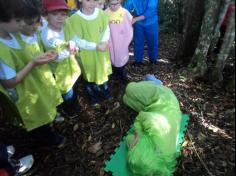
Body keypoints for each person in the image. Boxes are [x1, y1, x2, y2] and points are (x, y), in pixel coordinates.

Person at [0, 0, 65, 148]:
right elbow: (9, 82)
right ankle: (49, 140)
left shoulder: (12, 34)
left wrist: (43, 56)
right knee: (37, 118)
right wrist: (33, 63)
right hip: (24, 93)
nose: (22, 24)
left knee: (43, 106)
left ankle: (49, 121)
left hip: (34, 83)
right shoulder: (2, 48)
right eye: (18, 20)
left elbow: (27, 50)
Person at [123, 75, 182, 175]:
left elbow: (130, 139)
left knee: (126, 99)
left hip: (158, 108)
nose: (132, 146)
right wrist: (138, 132)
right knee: (129, 89)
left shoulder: (163, 159)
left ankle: (153, 85)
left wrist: (135, 142)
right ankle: (156, 83)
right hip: (162, 96)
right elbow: (141, 116)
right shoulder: (155, 124)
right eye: (134, 147)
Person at [65, 0, 113, 108]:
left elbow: (106, 29)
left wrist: (104, 41)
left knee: (103, 73)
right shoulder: (74, 19)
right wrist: (95, 46)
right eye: (88, 0)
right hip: (87, 55)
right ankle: (93, 98)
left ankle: (105, 93)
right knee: (90, 77)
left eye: (95, 0)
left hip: (101, 52)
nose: (92, 3)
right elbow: (76, 40)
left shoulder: (101, 14)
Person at [41, 0, 81, 116]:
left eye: (62, 14)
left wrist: (73, 41)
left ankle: (74, 103)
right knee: (66, 90)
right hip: (59, 71)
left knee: (73, 84)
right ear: (47, 15)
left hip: (70, 66)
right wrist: (71, 50)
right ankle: (70, 110)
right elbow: (56, 57)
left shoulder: (66, 24)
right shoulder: (47, 35)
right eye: (54, 14)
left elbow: (73, 35)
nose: (59, 18)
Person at [123, 0, 159, 66]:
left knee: (152, 42)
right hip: (139, 24)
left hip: (151, 22)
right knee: (138, 42)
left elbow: (150, 11)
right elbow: (126, 8)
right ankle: (138, 61)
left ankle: (153, 60)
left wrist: (135, 19)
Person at [106, 0, 133, 82]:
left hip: (122, 40)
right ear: (108, 3)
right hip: (110, 39)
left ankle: (122, 74)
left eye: (117, 4)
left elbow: (129, 24)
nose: (114, 6)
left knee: (121, 56)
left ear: (120, 2)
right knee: (112, 55)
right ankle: (114, 73)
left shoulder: (125, 12)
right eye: (112, 4)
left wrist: (127, 38)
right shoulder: (105, 12)